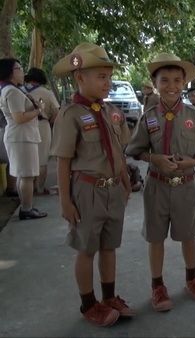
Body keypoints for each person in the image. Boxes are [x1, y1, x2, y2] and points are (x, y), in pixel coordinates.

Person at [50, 42, 134, 326]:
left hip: (113, 190)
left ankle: (109, 297)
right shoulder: (70, 114)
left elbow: (118, 152)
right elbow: (63, 160)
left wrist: (124, 183)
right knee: (87, 248)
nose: (107, 83)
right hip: (87, 190)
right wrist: (65, 201)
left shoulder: (112, 112)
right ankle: (89, 304)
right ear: (80, 78)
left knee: (109, 246)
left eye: (109, 77)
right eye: (101, 77)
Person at [125, 52, 195, 312]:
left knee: (188, 235)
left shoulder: (194, 116)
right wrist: (155, 158)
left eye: (177, 80)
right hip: (157, 185)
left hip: (185, 185)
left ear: (184, 82)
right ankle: (157, 286)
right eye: (165, 80)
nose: (171, 86)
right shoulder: (149, 117)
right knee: (156, 237)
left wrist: (193, 162)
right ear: (155, 83)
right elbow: (134, 150)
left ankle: (191, 279)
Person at [0, 58, 47, 219]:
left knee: (23, 174)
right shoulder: (11, 91)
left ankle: (26, 206)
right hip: (21, 137)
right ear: (10, 73)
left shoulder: (14, 89)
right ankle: (26, 208)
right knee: (26, 175)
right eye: (18, 68)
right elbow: (19, 117)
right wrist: (38, 110)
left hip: (22, 136)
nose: (22, 72)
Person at [23, 67, 60, 195]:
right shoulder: (46, 92)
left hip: (23, 125)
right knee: (42, 159)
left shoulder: (19, 90)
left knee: (26, 158)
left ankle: (27, 187)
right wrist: (49, 121)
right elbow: (56, 112)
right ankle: (39, 188)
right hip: (41, 125)